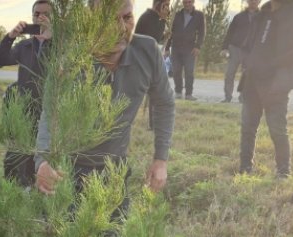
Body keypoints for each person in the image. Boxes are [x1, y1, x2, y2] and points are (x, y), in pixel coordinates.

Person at [35, 0, 175, 201]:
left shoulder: (147, 51)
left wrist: (161, 159)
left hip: (115, 169)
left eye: (127, 17)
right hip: (66, 170)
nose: (120, 28)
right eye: (108, 19)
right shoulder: (70, 58)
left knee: (114, 229)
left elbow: (164, 103)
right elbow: (50, 112)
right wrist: (43, 161)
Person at [238, 0, 293, 179]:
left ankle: (283, 171)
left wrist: (275, 65)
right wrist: (247, 62)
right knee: (248, 126)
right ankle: (244, 168)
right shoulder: (262, 13)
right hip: (252, 79)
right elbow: (247, 44)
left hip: (275, 81)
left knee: (277, 128)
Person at [0, 0, 52, 188]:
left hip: (49, 112)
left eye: (46, 14)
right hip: (25, 110)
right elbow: (1, 59)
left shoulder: (61, 45)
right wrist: (11, 36)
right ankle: (17, 189)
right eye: (37, 14)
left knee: (41, 155)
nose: (40, 17)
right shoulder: (26, 46)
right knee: (20, 153)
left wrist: (53, 36)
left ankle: (37, 190)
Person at [135, 0, 171, 130]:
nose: (167, 8)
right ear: (159, 5)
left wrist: (164, 35)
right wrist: (162, 23)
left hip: (149, 59)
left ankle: (153, 124)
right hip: (142, 59)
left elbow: (154, 39)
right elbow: (151, 39)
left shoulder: (156, 19)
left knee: (154, 93)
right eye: (165, 5)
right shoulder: (149, 18)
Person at [220, 0, 261, 103]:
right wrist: (224, 48)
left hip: (250, 51)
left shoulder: (262, 17)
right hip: (234, 48)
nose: (253, 2)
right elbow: (229, 32)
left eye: (256, 0)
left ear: (259, 2)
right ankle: (227, 97)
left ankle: (243, 98)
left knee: (246, 75)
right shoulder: (239, 16)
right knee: (229, 74)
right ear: (247, 1)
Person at [164, 0, 205, 101]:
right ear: (183, 3)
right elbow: (170, 32)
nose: (187, 4)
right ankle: (178, 92)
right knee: (176, 71)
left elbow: (202, 33)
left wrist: (197, 46)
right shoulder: (177, 15)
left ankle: (188, 94)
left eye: (189, 2)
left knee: (189, 72)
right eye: (185, 2)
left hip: (190, 49)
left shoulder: (199, 15)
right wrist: (167, 48)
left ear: (193, 2)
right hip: (176, 48)